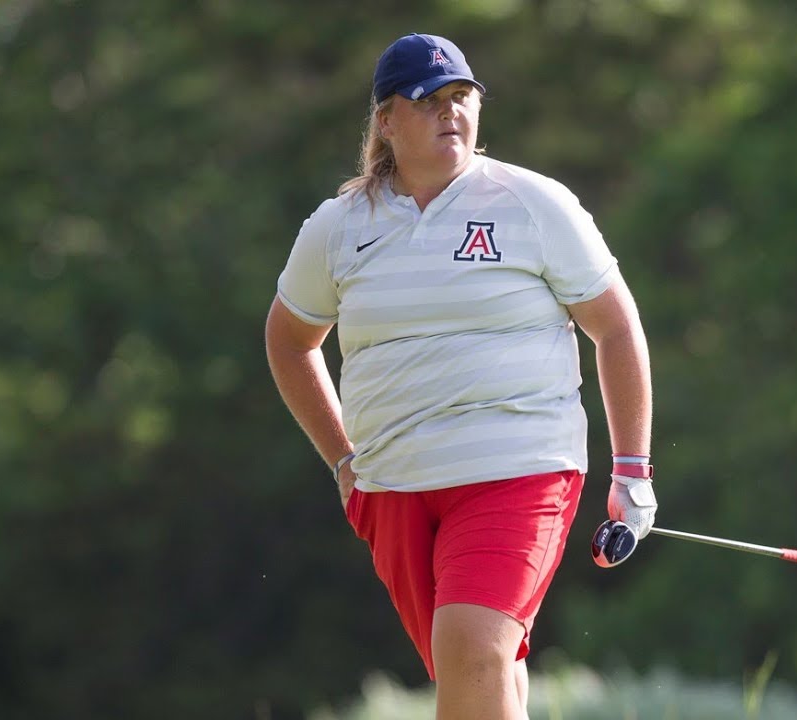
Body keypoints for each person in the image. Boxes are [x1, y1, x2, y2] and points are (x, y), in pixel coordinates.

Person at [265, 32, 656, 720]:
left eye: (461, 97)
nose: (450, 112)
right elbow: (289, 340)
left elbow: (616, 327)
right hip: (392, 487)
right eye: (428, 100)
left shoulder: (532, 202)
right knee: (484, 677)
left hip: (520, 471)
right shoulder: (338, 227)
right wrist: (342, 460)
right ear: (386, 121)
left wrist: (632, 469)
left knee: (473, 649)